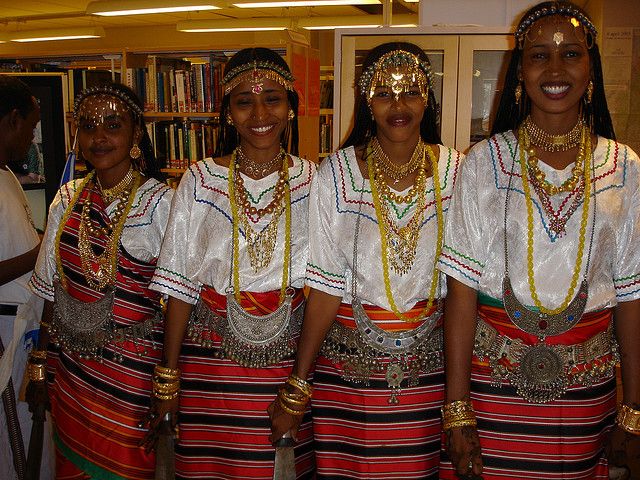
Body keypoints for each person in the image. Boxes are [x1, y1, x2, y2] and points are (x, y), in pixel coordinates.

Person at [438, 2, 640, 479]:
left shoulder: (624, 168)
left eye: (570, 54)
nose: (554, 69)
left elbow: (632, 293)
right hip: (492, 384)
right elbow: (461, 290)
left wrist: (633, 409)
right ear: (519, 73)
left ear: (591, 69)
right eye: (538, 56)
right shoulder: (485, 163)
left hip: (585, 390)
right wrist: (458, 409)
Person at [268, 42, 463, 479]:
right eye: (383, 93)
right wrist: (299, 387)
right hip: (348, 377)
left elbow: (465, 285)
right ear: (366, 101)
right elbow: (324, 286)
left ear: (428, 98)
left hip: (427, 377)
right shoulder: (336, 173)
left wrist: (460, 401)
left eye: (411, 91)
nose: (398, 105)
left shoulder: (457, 172)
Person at [147, 47, 316, 479]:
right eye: (244, 102)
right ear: (227, 114)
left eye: (273, 99)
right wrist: (168, 379)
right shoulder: (200, 180)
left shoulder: (316, 181)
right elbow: (180, 283)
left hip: (286, 363)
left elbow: (327, 286)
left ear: (291, 109)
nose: (260, 113)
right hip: (209, 364)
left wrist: (300, 384)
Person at [27, 82, 173, 479]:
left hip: (133, 378)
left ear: (136, 134)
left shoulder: (161, 204)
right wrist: (39, 366)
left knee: (127, 467)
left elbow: (178, 303)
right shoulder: (67, 198)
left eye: (113, 124)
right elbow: (50, 290)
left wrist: (167, 385)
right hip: (71, 370)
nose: (100, 137)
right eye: (89, 126)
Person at [0, 75, 51, 480]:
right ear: (11, 119)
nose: (32, 140)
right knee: (12, 441)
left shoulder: (7, 175)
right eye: (32, 128)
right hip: (4, 334)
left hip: (23, 329)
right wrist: (42, 251)